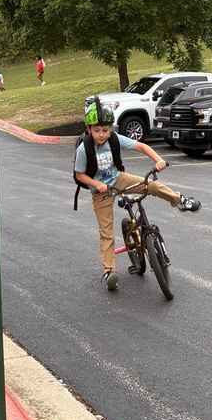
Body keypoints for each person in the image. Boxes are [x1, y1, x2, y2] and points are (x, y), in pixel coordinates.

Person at [74, 96, 201, 291]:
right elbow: (79, 175)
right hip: (100, 191)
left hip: (119, 179)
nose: (101, 134)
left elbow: (141, 146)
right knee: (106, 231)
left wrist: (158, 160)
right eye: (97, 130)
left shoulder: (114, 139)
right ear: (88, 129)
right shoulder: (85, 148)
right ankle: (110, 272)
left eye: (105, 130)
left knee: (152, 185)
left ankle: (180, 201)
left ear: (111, 128)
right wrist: (96, 185)